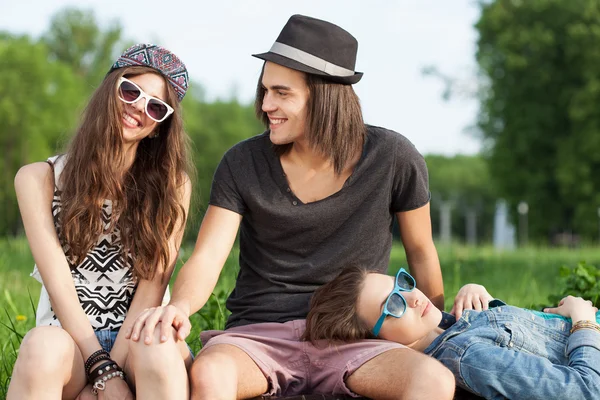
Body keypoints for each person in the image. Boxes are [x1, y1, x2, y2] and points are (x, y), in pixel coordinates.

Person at [129, 15, 453, 400]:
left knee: (434, 380)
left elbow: (421, 251)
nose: (266, 105)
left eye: (281, 93)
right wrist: (180, 305)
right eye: (264, 91)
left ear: (325, 95)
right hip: (256, 338)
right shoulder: (242, 162)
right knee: (212, 372)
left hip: (354, 338)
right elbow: (209, 257)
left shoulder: (394, 157)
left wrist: (439, 330)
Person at [8, 44, 194, 400]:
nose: (139, 107)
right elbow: (58, 281)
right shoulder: (38, 179)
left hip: (136, 341)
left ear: (158, 127)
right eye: (130, 90)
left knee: (158, 346)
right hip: (70, 343)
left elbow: (152, 288)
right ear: (110, 89)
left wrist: (114, 374)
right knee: (42, 347)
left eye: (155, 107)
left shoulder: (173, 186)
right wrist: (100, 368)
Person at [304, 265, 600, 400]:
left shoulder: (454, 327)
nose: (414, 297)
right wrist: (583, 320)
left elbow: (533, 344)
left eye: (403, 284)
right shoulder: (466, 357)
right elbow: (585, 390)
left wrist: (486, 301)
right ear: (377, 342)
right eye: (393, 304)